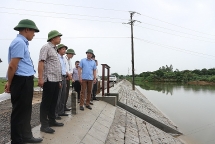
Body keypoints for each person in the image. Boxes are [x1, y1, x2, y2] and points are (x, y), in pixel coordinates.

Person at [5, 19, 43, 143]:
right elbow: (12, 66)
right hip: (21, 80)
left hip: (25, 80)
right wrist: (10, 82)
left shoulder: (22, 43)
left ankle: (26, 136)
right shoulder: (19, 42)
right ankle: (17, 140)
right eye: (33, 31)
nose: (34, 34)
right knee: (19, 112)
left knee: (26, 110)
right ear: (26, 29)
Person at [38, 30, 64, 134]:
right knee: (46, 103)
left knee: (53, 101)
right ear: (53, 38)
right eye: (58, 37)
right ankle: (44, 125)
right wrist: (40, 78)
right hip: (48, 79)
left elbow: (56, 66)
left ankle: (52, 120)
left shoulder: (55, 49)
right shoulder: (46, 47)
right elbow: (41, 62)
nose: (60, 38)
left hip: (55, 80)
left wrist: (59, 81)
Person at [55, 44, 69, 118]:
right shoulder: (56, 57)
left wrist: (67, 75)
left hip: (64, 77)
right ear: (59, 50)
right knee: (58, 96)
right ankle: (55, 113)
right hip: (59, 77)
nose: (64, 51)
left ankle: (61, 111)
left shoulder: (63, 58)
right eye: (63, 49)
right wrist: (59, 80)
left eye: (65, 49)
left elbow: (64, 69)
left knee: (63, 95)